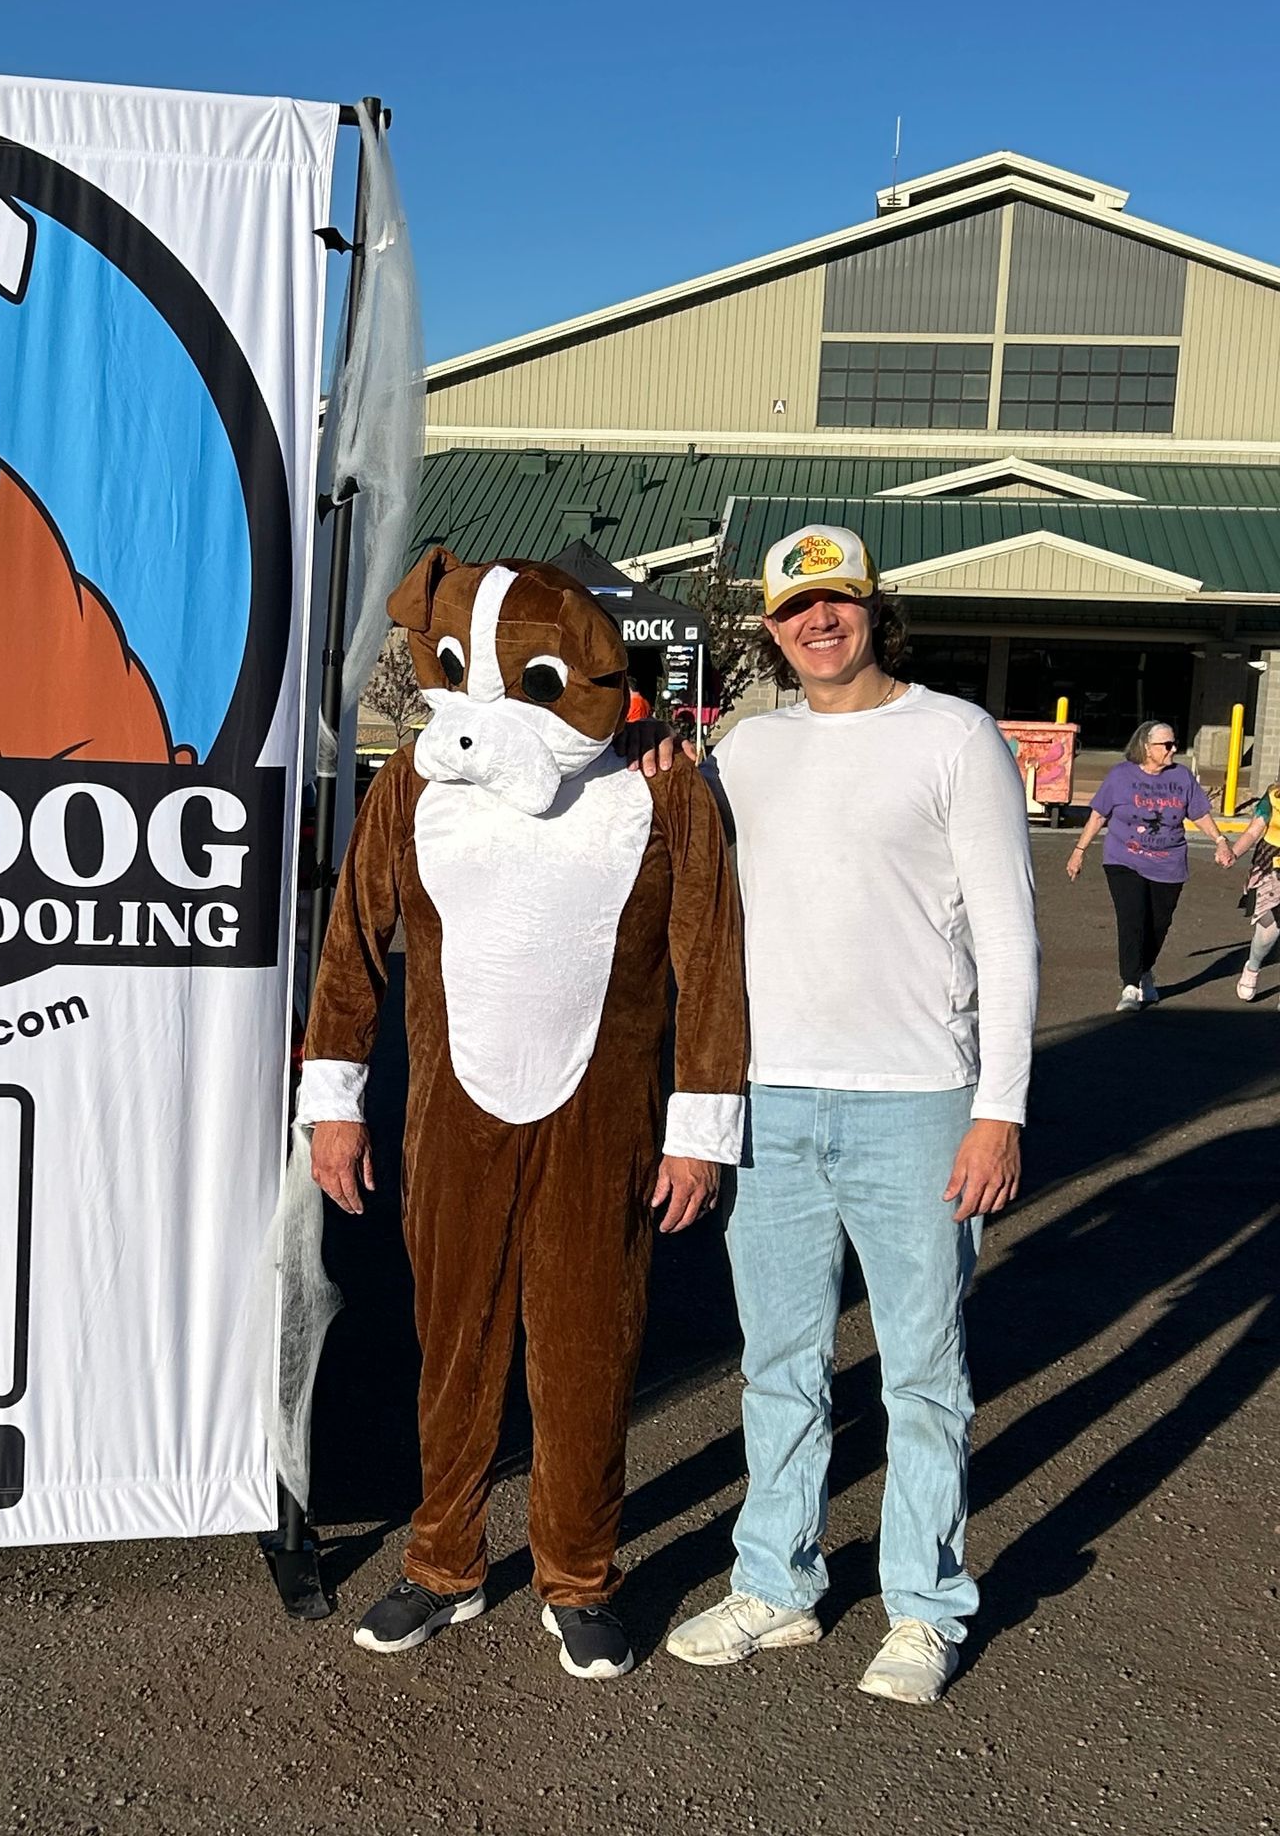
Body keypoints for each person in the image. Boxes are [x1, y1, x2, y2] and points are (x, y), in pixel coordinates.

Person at [302, 550, 747, 1684]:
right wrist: (334, 1103)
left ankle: (579, 1573)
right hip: (454, 1113)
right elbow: (352, 942)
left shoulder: (659, 784)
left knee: (589, 1350)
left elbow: (711, 957)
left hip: (605, 1114)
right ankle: (444, 1559)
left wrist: (701, 1127)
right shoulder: (413, 780)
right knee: (450, 1344)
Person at [658, 525, 1038, 1706]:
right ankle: (776, 1581)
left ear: (874, 609)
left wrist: (1001, 1108)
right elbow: (686, 876)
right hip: (773, 1099)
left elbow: (1012, 932)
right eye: (792, 609)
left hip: (920, 1102)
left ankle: (927, 1605)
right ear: (770, 631)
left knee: (924, 1373)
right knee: (779, 1365)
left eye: (837, 601)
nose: (816, 623)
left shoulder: (953, 734)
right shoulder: (747, 749)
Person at [1066, 723, 1231, 1007]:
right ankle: (1129, 985)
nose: (1173, 750)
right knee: (1132, 918)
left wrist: (1219, 840)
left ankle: (1144, 972)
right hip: (1123, 859)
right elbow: (1098, 815)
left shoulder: (1181, 777)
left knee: (1158, 924)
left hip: (1169, 864)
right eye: (1166, 745)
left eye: (1174, 744)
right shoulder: (1120, 776)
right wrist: (1079, 850)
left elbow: (1200, 813)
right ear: (1146, 747)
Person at [1223, 785, 1280, 998]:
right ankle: (1253, 966)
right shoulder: (1274, 796)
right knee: (1269, 929)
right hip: (1272, 868)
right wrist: (1234, 853)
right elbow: (1254, 831)